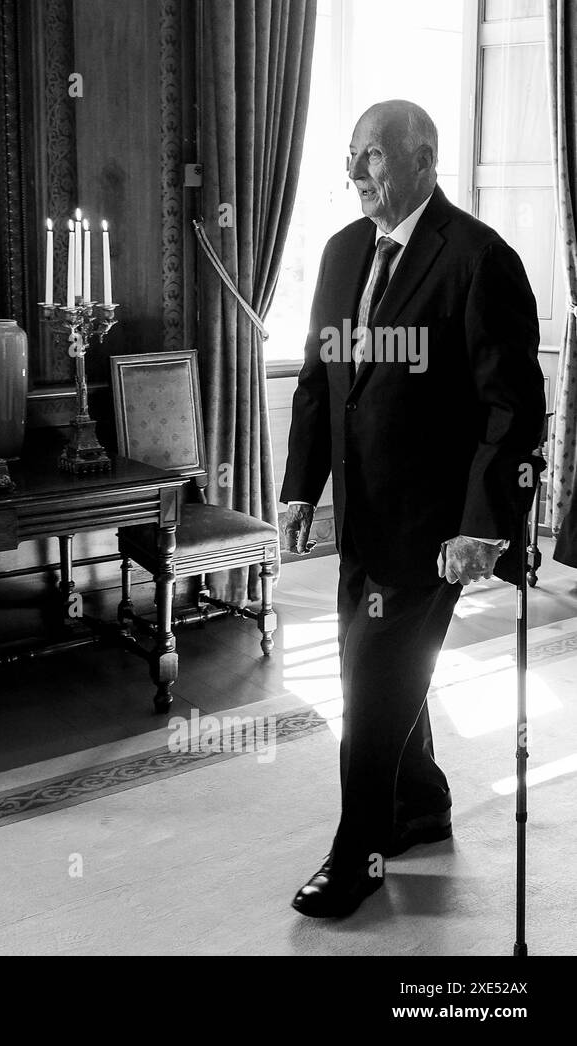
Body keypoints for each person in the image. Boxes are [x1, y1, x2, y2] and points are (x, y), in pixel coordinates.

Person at [280, 99, 546, 919]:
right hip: (361, 517)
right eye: (351, 157)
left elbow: (513, 408)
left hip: (434, 531)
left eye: (373, 158)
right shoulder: (340, 253)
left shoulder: (477, 258)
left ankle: (357, 851)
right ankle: (421, 802)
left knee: (371, 681)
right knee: (389, 670)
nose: (356, 174)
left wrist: (481, 524)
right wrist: (300, 485)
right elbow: (323, 387)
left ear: (423, 158)